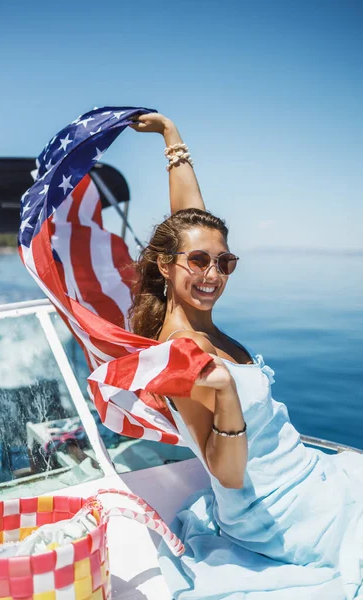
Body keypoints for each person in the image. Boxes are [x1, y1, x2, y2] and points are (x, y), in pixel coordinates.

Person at [128, 113, 363, 599]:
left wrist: (172, 139)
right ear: (165, 264)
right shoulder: (181, 351)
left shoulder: (195, 308)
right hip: (277, 514)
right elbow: (227, 473)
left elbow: (191, 226)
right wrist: (228, 395)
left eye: (224, 261)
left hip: (307, 474)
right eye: (198, 262)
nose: (212, 274)